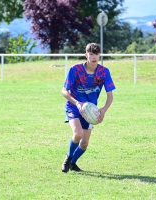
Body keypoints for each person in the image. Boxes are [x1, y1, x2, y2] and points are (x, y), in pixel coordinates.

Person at [61, 43, 116, 173]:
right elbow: (64, 91)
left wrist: (103, 109)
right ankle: (68, 158)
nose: (94, 56)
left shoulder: (104, 72)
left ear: (100, 55)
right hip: (74, 106)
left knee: (84, 144)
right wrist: (77, 103)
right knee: (78, 134)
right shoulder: (75, 70)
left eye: (96, 54)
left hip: (89, 110)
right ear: (86, 55)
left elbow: (110, 96)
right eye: (91, 54)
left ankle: (73, 164)